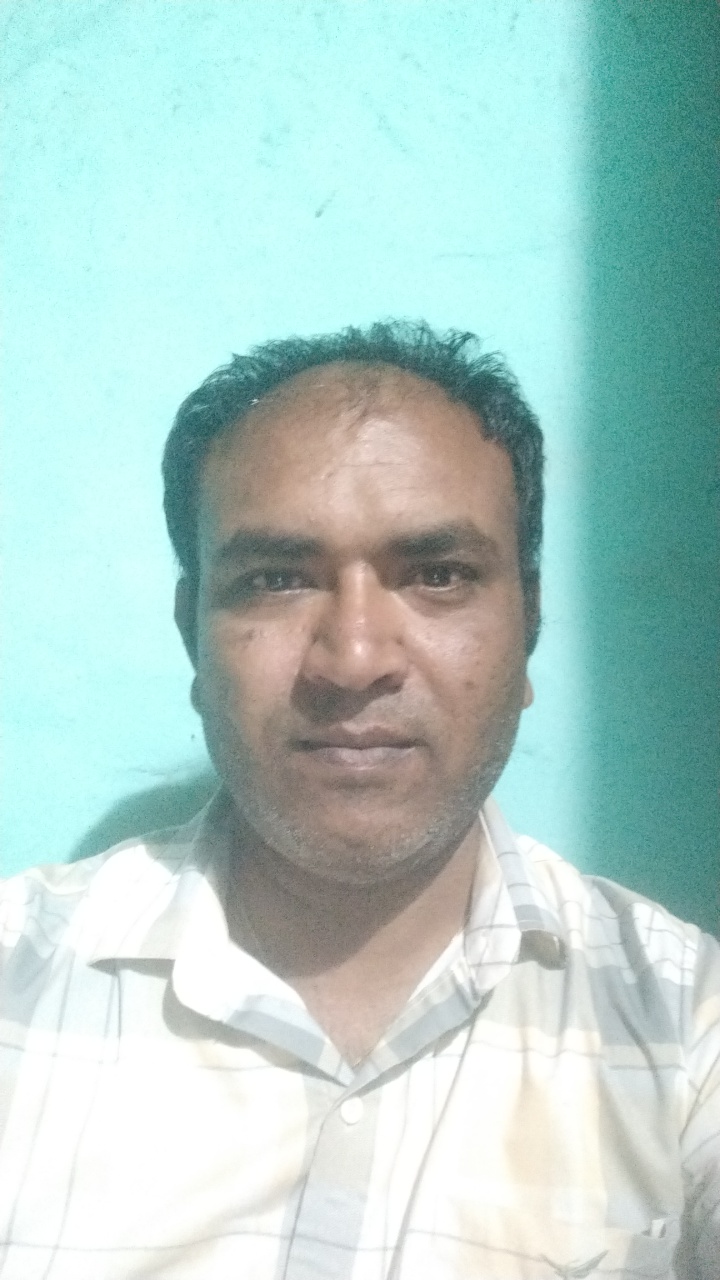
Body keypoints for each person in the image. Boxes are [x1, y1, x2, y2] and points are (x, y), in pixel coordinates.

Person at [0, 321, 717, 1279]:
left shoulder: (687, 1026)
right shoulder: (16, 978)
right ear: (192, 635)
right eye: (277, 580)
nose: (354, 658)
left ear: (529, 626)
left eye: (438, 575)